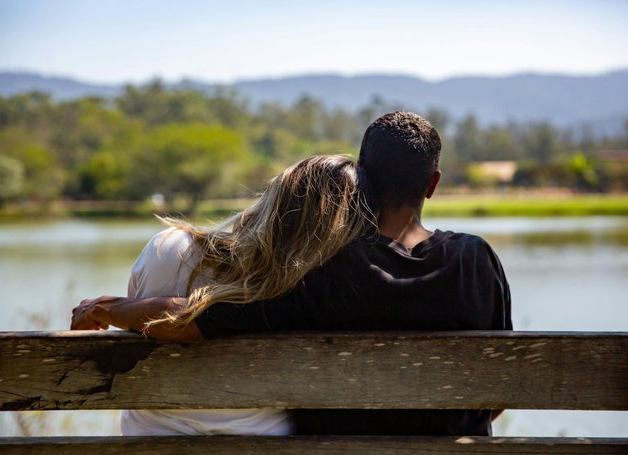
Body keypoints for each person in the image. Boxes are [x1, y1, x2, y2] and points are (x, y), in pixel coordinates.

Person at [74, 111, 512, 435]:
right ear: (432, 184)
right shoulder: (476, 259)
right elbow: (497, 396)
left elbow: (186, 319)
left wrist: (109, 308)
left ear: (362, 178)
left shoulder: (329, 270)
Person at [71, 154, 373, 435]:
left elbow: (159, 327)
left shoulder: (168, 249)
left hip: (149, 440)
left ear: (276, 199)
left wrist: (108, 308)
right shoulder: (321, 289)